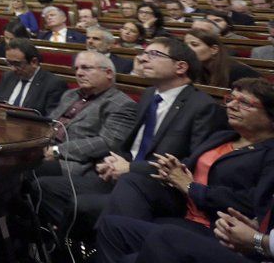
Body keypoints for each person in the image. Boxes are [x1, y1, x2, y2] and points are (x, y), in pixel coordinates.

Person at [35, 37, 226, 238]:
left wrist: (130, 168)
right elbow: (130, 144)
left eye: (154, 54)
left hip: (157, 188)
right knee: (45, 187)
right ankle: (68, 245)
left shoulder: (202, 106)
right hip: (122, 176)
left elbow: (189, 164)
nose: (142, 59)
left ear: (180, 67)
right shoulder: (150, 94)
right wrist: (112, 160)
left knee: (81, 205)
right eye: (144, 53)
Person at [95, 78, 274, 262]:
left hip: (212, 223)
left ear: (270, 115)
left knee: (118, 231)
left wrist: (191, 187)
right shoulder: (223, 136)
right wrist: (170, 170)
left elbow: (250, 203)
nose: (232, 106)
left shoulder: (269, 153)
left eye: (244, 102)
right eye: (231, 99)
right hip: (181, 204)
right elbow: (187, 167)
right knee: (131, 183)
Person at [38, 51, 138, 179]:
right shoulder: (70, 94)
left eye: (86, 68)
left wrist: (57, 151)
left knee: (21, 168)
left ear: (108, 73)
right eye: (77, 68)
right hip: (45, 149)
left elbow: (106, 143)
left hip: (75, 163)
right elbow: (50, 123)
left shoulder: (121, 104)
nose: (79, 73)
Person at [0, 39, 67, 113]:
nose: (12, 69)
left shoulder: (53, 84)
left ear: (34, 62)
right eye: (9, 63)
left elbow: (51, 119)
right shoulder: (8, 76)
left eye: (17, 64)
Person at [186, 28, 260, 87]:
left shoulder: (239, 71)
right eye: (186, 45)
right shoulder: (195, 69)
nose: (187, 49)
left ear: (214, 49)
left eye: (194, 45)